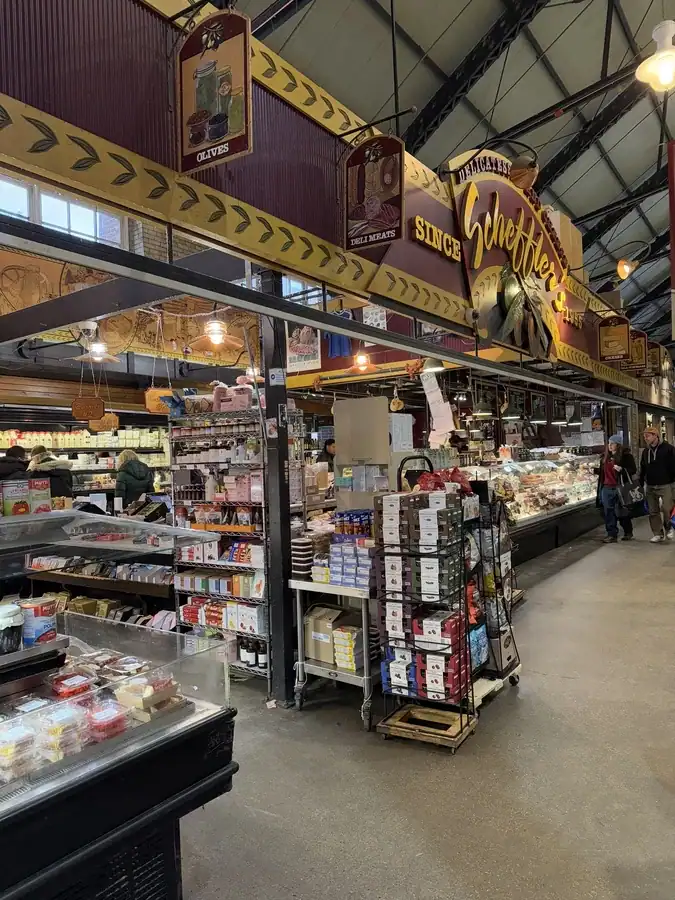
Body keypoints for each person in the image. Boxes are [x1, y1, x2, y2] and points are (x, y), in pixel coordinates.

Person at [597, 435, 636, 543]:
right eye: (609, 443)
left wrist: (622, 469)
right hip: (606, 488)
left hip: (620, 487)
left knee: (622, 511)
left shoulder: (626, 456)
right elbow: (603, 472)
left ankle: (628, 531)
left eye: (612, 443)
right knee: (608, 512)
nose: (610, 446)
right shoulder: (605, 457)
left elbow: (633, 470)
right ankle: (611, 534)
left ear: (618, 445)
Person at [639, 426, 675, 542]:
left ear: (655, 436)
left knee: (666, 508)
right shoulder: (646, 451)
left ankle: (669, 528)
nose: (645, 438)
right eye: (644, 436)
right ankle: (657, 533)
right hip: (650, 485)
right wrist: (641, 482)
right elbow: (643, 468)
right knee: (653, 510)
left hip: (666, 484)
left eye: (648, 436)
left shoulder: (669, 449)